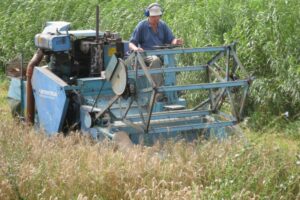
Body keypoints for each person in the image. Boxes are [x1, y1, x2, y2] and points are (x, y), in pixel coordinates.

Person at [129, 3, 183, 87]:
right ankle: (159, 90)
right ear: (148, 15)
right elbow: (131, 43)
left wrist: (176, 41)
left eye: (157, 16)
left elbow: (171, 39)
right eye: (153, 16)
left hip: (160, 53)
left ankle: (173, 87)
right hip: (146, 55)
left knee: (171, 59)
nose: (156, 18)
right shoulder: (141, 26)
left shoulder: (163, 25)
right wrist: (136, 49)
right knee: (155, 60)